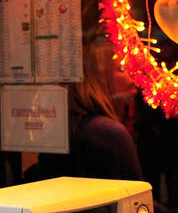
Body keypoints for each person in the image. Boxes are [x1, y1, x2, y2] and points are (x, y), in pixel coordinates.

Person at [23, 38, 142, 182]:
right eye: (121, 69)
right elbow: (137, 199)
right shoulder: (109, 132)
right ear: (100, 78)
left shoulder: (66, 128)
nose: (132, 77)